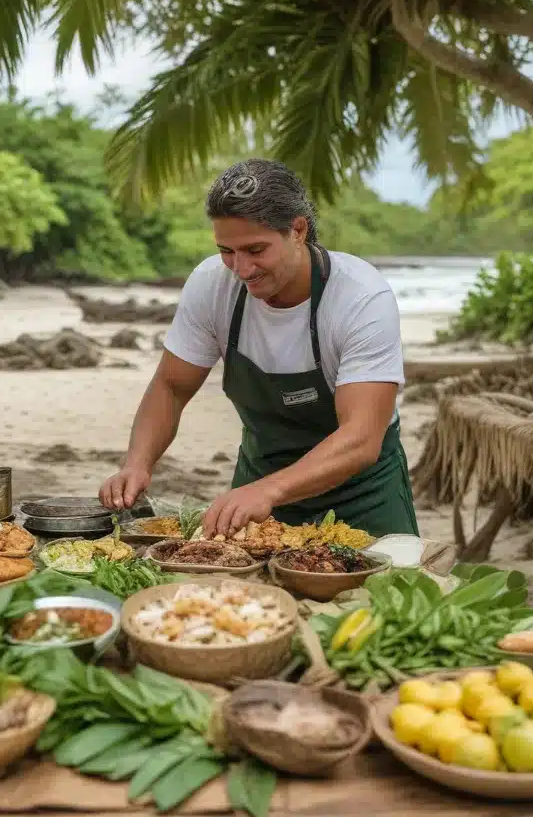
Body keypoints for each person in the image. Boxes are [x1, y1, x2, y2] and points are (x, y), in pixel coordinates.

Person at [99, 158, 419, 540]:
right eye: (226, 251)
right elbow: (172, 386)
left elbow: (362, 438)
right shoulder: (211, 285)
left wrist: (269, 490)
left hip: (363, 492)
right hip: (258, 481)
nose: (241, 268)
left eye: (255, 249)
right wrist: (137, 463)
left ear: (298, 230)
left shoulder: (361, 297)